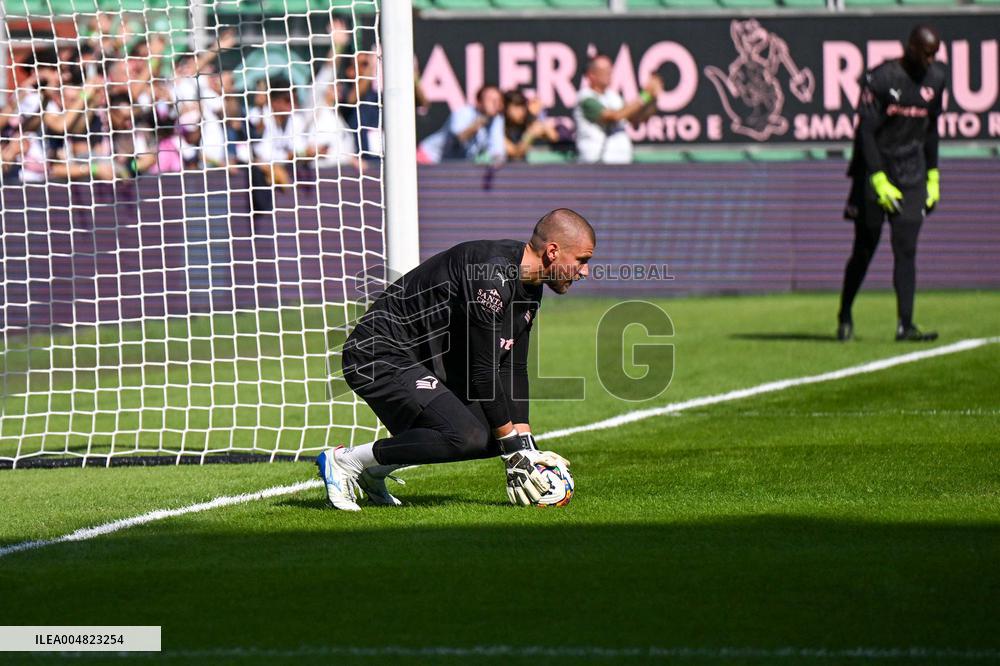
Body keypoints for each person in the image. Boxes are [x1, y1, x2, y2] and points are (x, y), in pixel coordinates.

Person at [316, 209, 594, 511]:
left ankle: (373, 470)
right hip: (377, 353)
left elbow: (513, 365)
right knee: (469, 435)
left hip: (422, 362)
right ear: (553, 251)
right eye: (582, 260)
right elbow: (483, 371)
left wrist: (524, 445)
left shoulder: (530, 285)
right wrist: (512, 448)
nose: (585, 271)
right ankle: (343, 461)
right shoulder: (491, 276)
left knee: (494, 435)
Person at [837, 24, 947, 342]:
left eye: (934, 55)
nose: (930, 60)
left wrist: (933, 175)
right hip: (875, 171)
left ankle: (906, 324)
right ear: (910, 48)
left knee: (906, 248)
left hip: (912, 171)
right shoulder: (881, 78)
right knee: (865, 249)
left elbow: (931, 129)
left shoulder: (937, 79)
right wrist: (877, 178)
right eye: (925, 53)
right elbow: (866, 131)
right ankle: (844, 313)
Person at [574, 54, 662, 164]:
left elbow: (635, 119)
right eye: (604, 70)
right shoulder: (586, 98)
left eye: (610, 69)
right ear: (591, 75)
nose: (609, 73)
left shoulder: (613, 96)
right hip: (598, 164)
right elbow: (614, 116)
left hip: (621, 162)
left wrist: (652, 98)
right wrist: (644, 95)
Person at [416, 85, 506, 164]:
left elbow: (498, 152)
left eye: (498, 100)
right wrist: (480, 122)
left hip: (449, 166)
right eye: (491, 99)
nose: (496, 103)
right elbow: (460, 137)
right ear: (479, 103)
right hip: (428, 157)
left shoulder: (497, 120)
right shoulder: (464, 113)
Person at [502, 89, 559, 162]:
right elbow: (515, 154)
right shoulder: (499, 126)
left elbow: (554, 137)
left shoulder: (528, 120)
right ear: (505, 109)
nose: (521, 112)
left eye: (522, 107)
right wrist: (529, 135)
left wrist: (540, 121)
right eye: (516, 107)